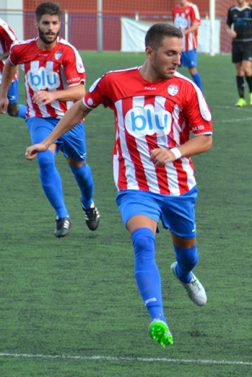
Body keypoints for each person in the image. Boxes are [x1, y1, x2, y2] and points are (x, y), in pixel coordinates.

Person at [25, 23, 214, 348]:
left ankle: (183, 274)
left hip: (179, 187)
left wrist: (175, 152)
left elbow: (205, 138)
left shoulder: (185, 89)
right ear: (150, 52)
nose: (177, 60)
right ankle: (158, 317)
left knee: (189, 257)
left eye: (179, 53)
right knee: (143, 242)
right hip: (135, 186)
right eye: (170, 53)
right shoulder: (115, 81)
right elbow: (81, 107)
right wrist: (48, 141)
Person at [0, 2, 100, 238]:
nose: (50, 28)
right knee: (45, 158)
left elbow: (81, 92)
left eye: (55, 23)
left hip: (70, 119)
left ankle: (88, 204)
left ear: (60, 24)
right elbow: (9, 65)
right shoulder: (21, 49)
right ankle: (62, 215)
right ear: (37, 24)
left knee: (79, 167)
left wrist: (53, 94)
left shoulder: (68, 52)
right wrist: (3, 94)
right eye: (46, 23)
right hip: (39, 118)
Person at [226, 0, 252, 107]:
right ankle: (241, 98)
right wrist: (229, 31)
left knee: (246, 68)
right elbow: (227, 26)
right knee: (239, 70)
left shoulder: (251, 9)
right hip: (236, 43)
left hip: (248, 43)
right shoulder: (232, 10)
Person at [172, 0, 203, 91]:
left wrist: (183, 33)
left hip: (189, 46)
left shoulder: (192, 8)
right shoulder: (175, 9)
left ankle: (199, 92)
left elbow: (196, 24)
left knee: (192, 69)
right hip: (176, 45)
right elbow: (174, 25)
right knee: (172, 68)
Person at [0, 18, 26, 119]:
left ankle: (35, 115)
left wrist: (2, 57)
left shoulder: (1, 26)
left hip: (6, 68)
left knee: (12, 110)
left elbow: (15, 47)